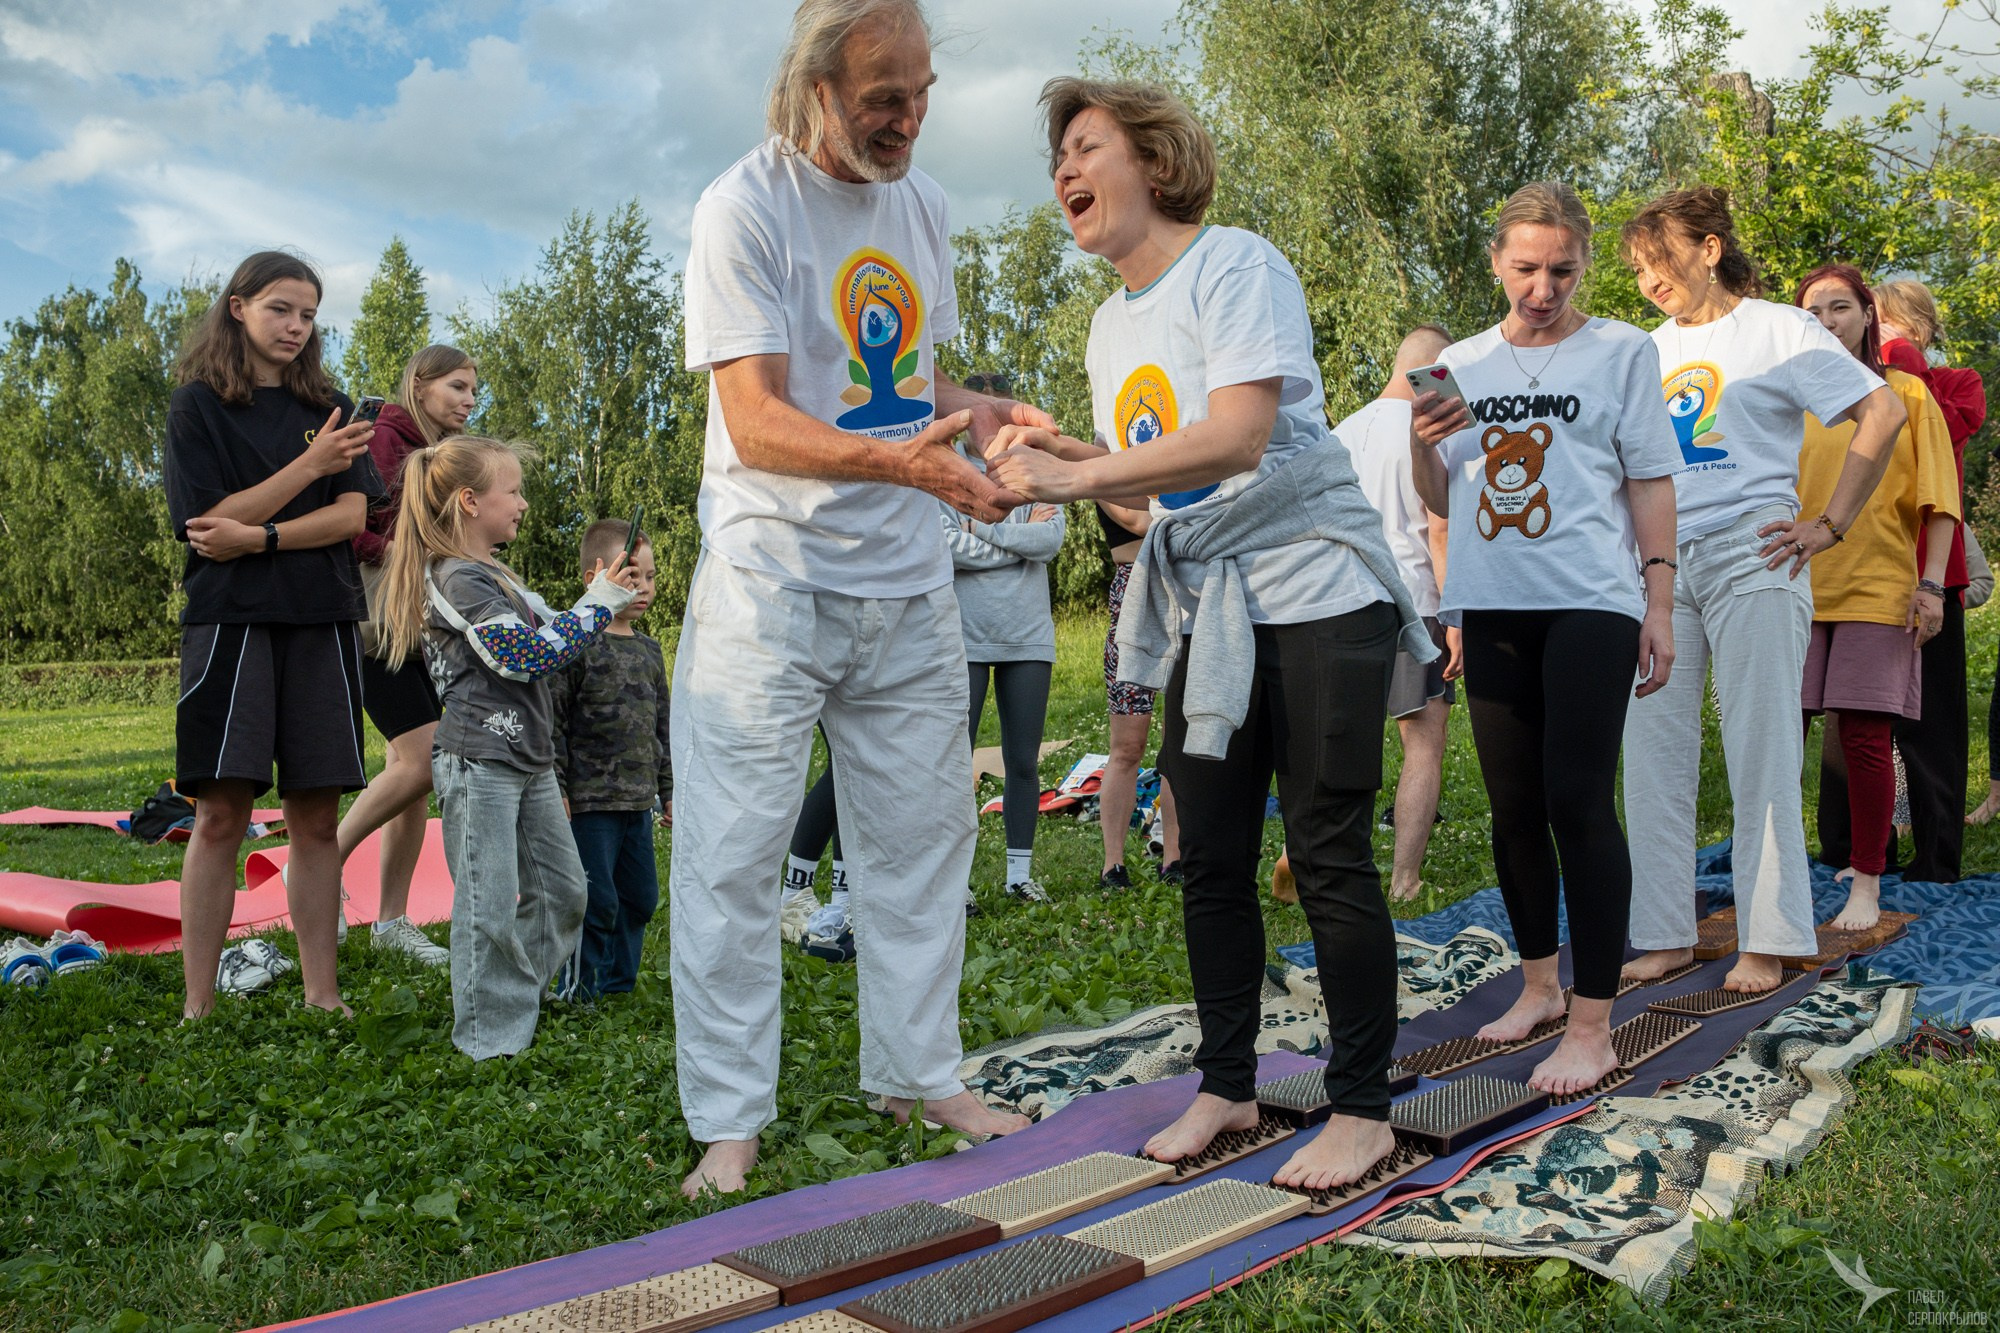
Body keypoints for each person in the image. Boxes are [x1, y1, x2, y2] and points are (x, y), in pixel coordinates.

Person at [990, 76, 1434, 1192]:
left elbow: (1237, 437)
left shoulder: (1235, 264)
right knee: (1208, 859)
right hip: (1213, 611)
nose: (1064, 170)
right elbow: (1156, 495)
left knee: (1325, 850)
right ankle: (1228, 1084)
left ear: (1154, 160)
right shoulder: (1108, 324)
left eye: (1086, 146)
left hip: (1319, 590)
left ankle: (1362, 1110)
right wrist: (1067, 459)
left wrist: (1078, 474)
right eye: (1057, 157)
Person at [673, 0, 1039, 1197]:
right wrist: (907, 467)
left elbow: (907, 382)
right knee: (733, 853)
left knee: (924, 840)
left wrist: (977, 415)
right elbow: (756, 418)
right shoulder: (742, 207)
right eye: (886, 97)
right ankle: (730, 1120)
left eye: (923, 93)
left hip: (906, 584)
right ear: (816, 87)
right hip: (770, 586)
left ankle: (918, 1074)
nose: (910, 119)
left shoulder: (921, 205)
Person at [1410, 183, 1682, 1095]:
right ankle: (1538, 986)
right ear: (1496, 261)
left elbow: (1649, 480)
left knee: (1578, 800)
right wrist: (1419, 441)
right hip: (1493, 603)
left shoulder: (1624, 351)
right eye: (1525, 268)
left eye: (1562, 270)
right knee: (1515, 805)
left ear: (1584, 264)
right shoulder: (1460, 363)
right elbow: (1441, 495)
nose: (1542, 288)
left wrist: (1658, 602)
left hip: (1592, 601)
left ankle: (1593, 1025)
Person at [1618, 186, 1906, 993]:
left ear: (1710, 249)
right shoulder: (1641, 352)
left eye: (1660, 259)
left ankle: (1770, 938)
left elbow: (1882, 412)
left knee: (1761, 746)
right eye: (1638, 268)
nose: (1649, 280)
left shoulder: (1781, 328)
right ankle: (1665, 932)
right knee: (1651, 751)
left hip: (1755, 550)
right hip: (1660, 567)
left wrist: (1830, 523)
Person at [164, 250, 381, 1020]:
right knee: (220, 813)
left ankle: (323, 994)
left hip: (321, 618)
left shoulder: (331, 406)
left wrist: (259, 537)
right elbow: (206, 522)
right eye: (280, 308)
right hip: (231, 622)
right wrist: (311, 466)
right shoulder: (196, 406)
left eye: (309, 314)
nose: (296, 326)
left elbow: (350, 517)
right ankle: (198, 1006)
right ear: (238, 307)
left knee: (315, 818)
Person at [375, 437, 638, 1058]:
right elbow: (523, 656)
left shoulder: (496, 575)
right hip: (479, 760)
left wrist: (597, 602)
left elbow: (555, 633)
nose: (522, 503)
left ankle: (515, 1001)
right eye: (513, 491)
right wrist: (598, 605)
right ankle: (488, 1041)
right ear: (470, 501)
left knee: (564, 891)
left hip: (528, 757)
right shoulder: (455, 578)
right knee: (487, 905)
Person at [1794, 265, 1957, 927]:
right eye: (1813, 311)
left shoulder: (1907, 393)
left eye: (1840, 307)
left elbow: (1940, 500)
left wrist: (1931, 586)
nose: (1827, 321)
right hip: (1791, 584)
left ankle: (1867, 880)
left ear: (1868, 316)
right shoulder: (1788, 397)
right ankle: (1770, 873)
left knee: (1864, 738)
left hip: (1876, 586)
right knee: (1779, 736)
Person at [333, 344, 479, 968]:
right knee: (425, 759)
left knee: (411, 775)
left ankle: (391, 919)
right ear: (420, 385)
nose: (469, 400)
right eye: (457, 387)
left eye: (473, 391)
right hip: (376, 626)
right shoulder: (384, 438)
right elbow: (348, 526)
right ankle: (318, 866)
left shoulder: (441, 451)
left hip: (419, 628)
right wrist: (401, 551)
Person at [1342, 323, 1463, 902]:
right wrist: (1455, 615)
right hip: (1415, 603)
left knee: (1344, 740)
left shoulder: (1337, 432)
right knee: (1423, 743)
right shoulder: (1430, 433)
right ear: (1432, 373)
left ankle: (1317, 860)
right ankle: (1403, 879)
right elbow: (1440, 532)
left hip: (1342, 603)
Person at [1869, 284, 1993, 843]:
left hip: (1934, 572)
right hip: (1867, 569)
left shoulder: (1959, 384)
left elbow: (1935, 432)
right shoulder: (1858, 386)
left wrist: (1903, 357)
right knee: (1863, 718)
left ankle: (1936, 855)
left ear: (1914, 325)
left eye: (1882, 321)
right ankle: (1861, 848)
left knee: (1934, 722)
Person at [552, 519, 673, 1000]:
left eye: (650, 576)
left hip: (638, 805)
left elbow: (662, 728)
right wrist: (557, 786)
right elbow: (554, 722)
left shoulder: (650, 651)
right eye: (632, 575)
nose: (644, 587)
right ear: (595, 579)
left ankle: (618, 988)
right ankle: (579, 991)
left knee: (640, 898)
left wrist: (668, 791)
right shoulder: (578, 646)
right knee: (595, 900)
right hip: (589, 804)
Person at [942, 467, 1065, 901]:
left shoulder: (1034, 473)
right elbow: (947, 547)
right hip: (965, 639)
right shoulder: (948, 473)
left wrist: (979, 529)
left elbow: (1048, 542)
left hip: (1028, 638)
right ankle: (954, 883)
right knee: (955, 764)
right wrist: (1017, 544)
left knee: (1024, 762)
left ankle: (1019, 877)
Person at [1097, 499, 1182, 892]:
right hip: (1133, 591)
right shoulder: (1103, 465)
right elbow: (1139, 520)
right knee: (1128, 746)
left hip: (1184, 590)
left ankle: (1174, 857)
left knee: (1177, 743)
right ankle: (1112, 864)